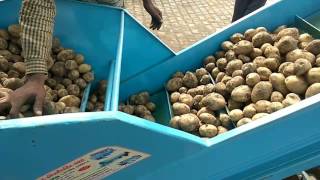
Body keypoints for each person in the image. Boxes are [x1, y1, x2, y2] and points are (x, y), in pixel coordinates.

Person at [0, 0, 163, 117]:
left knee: (99, 39)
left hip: (109, 7)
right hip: (72, 7)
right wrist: (35, 77)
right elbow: (38, 6)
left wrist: (147, 2)